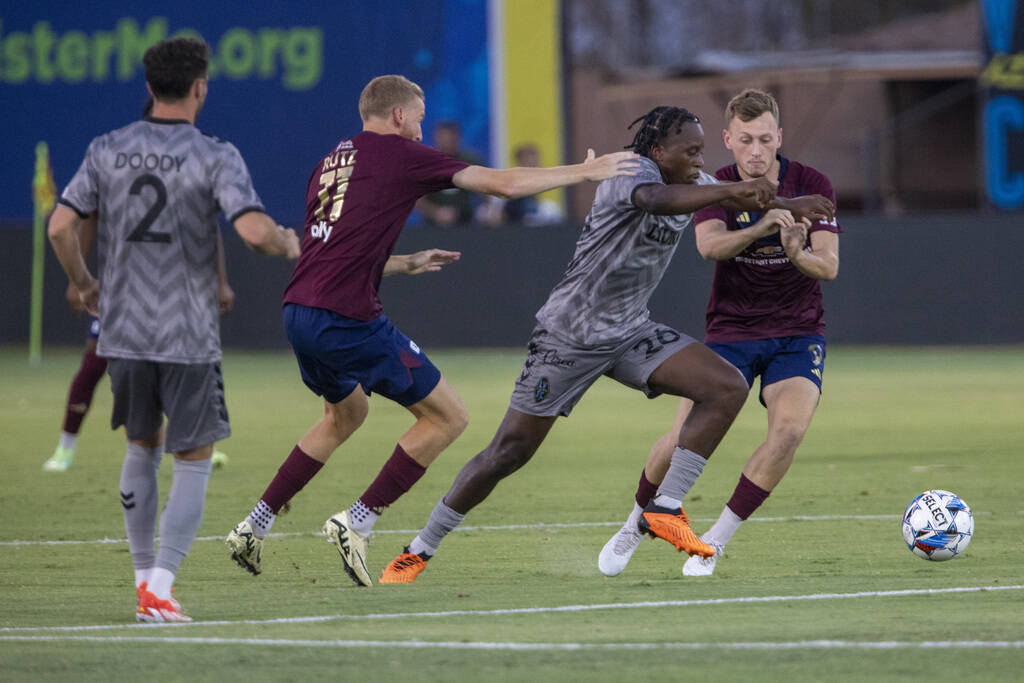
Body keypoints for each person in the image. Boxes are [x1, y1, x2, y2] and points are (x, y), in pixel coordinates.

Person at [379, 105, 835, 584]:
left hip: (628, 331)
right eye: (692, 150)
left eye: (703, 151)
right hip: (569, 335)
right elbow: (655, 199)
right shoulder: (628, 169)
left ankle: (665, 507)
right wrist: (737, 189)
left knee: (725, 387)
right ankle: (418, 550)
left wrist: (793, 206)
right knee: (507, 453)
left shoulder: (695, 181)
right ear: (659, 150)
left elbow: (736, 198)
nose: (701, 160)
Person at [223, 74, 641, 587]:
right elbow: (504, 184)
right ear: (398, 115)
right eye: (418, 117)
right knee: (448, 417)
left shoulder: (332, 162)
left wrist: (405, 262)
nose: (421, 129)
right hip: (346, 317)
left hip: (300, 312)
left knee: (345, 414)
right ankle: (358, 520)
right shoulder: (400, 154)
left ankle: (254, 525)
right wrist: (585, 170)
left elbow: (332, 253)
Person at [48, 37, 301, 622]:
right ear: (200, 88)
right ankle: (160, 587)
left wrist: (85, 284)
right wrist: (285, 240)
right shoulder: (214, 155)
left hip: (123, 329)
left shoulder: (107, 148)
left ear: (148, 88)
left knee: (141, 447)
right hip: (186, 331)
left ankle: (143, 583)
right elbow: (257, 234)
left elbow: (61, 226)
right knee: (192, 456)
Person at [598, 88, 841, 578]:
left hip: (797, 333)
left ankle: (713, 541)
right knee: (678, 440)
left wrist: (796, 253)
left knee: (789, 431)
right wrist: (763, 227)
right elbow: (709, 247)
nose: (756, 151)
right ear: (728, 139)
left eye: (765, 139)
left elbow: (828, 265)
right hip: (731, 331)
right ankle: (634, 525)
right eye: (746, 139)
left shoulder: (813, 183)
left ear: (779, 137)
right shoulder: (715, 185)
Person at [42, 213, 235, 472]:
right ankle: (65, 447)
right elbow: (88, 220)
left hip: (174, 285)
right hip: (122, 286)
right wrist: (76, 280)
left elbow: (207, 226)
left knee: (179, 365)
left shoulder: (188, 175)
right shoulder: (114, 173)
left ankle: (193, 446)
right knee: (93, 363)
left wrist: (220, 281)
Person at [477, 143, 567, 226]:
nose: (532, 171)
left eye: (535, 166)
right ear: (518, 165)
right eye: (528, 165)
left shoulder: (548, 208)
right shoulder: (503, 197)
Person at [415, 120, 483, 226]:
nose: (447, 144)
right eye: (444, 139)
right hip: (433, 227)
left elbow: (485, 191)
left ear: (457, 138)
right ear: (436, 139)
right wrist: (436, 213)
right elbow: (417, 199)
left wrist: (485, 209)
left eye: (451, 140)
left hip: (467, 223)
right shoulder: (425, 164)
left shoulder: (469, 161)